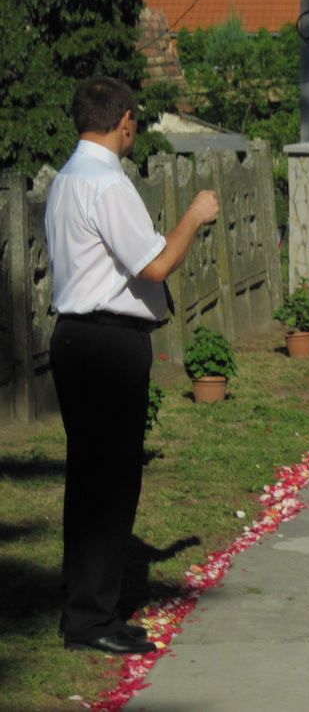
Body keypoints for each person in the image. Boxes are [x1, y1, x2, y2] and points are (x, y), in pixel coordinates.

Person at [46, 76, 220, 655]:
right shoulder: (106, 182)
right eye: (135, 121)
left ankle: (85, 605)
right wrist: (194, 215)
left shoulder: (66, 179)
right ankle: (92, 619)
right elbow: (155, 265)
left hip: (75, 336)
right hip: (108, 341)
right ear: (123, 121)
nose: (135, 130)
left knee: (90, 479)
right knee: (111, 483)